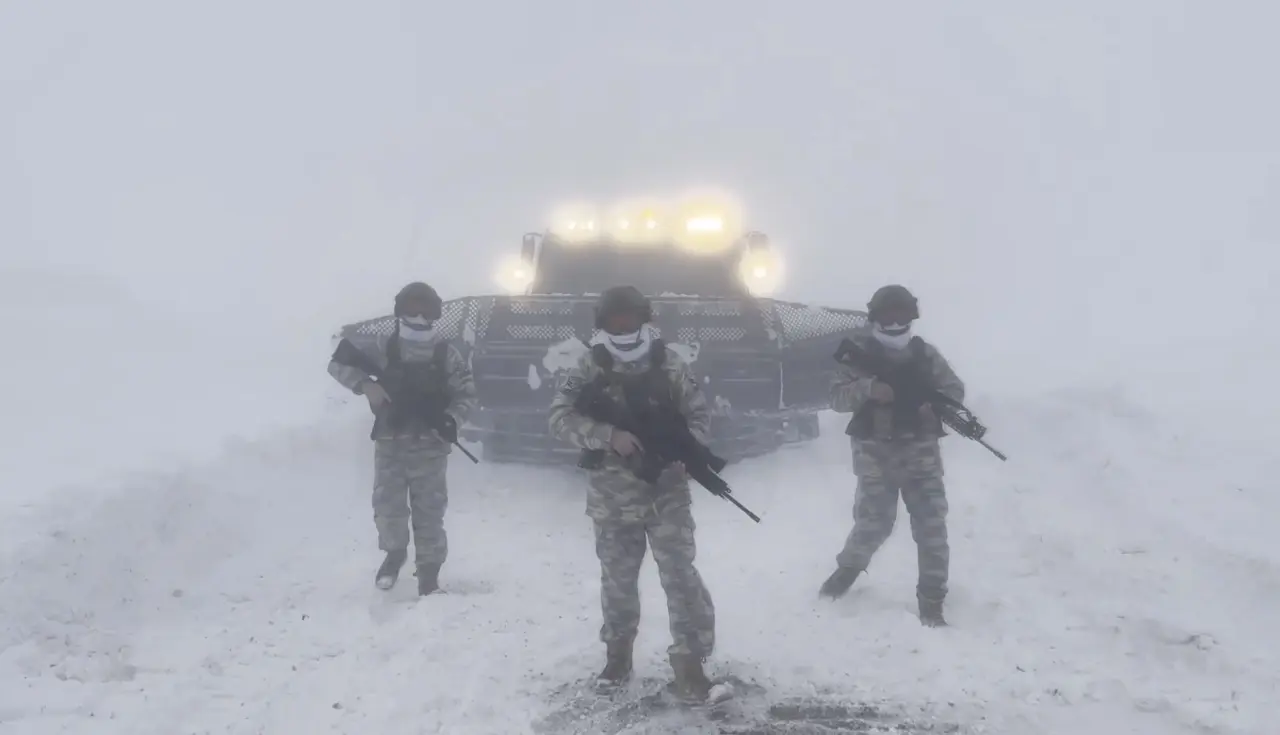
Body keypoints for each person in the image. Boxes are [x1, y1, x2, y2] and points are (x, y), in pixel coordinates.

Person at [548, 285, 718, 701]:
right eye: (615, 320)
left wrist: (685, 453)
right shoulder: (588, 366)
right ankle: (617, 657)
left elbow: (699, 416)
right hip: (613, 496)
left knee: (680, 576)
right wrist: (608, 435)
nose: (623, 327)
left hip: (667, 492)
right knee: (618, 581)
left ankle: (690, 664)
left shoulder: (671, 364)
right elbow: (559, 418)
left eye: (630, 319)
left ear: (645, 320)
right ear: (602, 322)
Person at [818, 284, 965, 627]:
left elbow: (954, 391)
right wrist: (869, 389)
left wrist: (934, 407)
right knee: (873, 524)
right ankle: (847, 571)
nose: (896, 324)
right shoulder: (860, 354)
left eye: (902, 316)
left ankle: (932, 599)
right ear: (876, 318)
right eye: (889, 316)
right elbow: (836, 398)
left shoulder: (925, 356)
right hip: (875, 455)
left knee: (931, 527)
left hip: (921, 457)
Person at [327, 281, 476, 596]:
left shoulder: (445, 353)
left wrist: (451, 419)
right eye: (412, 307)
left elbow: (466, 393)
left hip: (431, 446)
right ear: (400, 310)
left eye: (425, 308)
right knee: (388, 508)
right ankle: (394, 555)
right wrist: (366, 386)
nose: (419, 314)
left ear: (436, 313)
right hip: (391, 443)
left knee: (430, 514)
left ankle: (429, 576)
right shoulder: (384, 348)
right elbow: (337, 364)